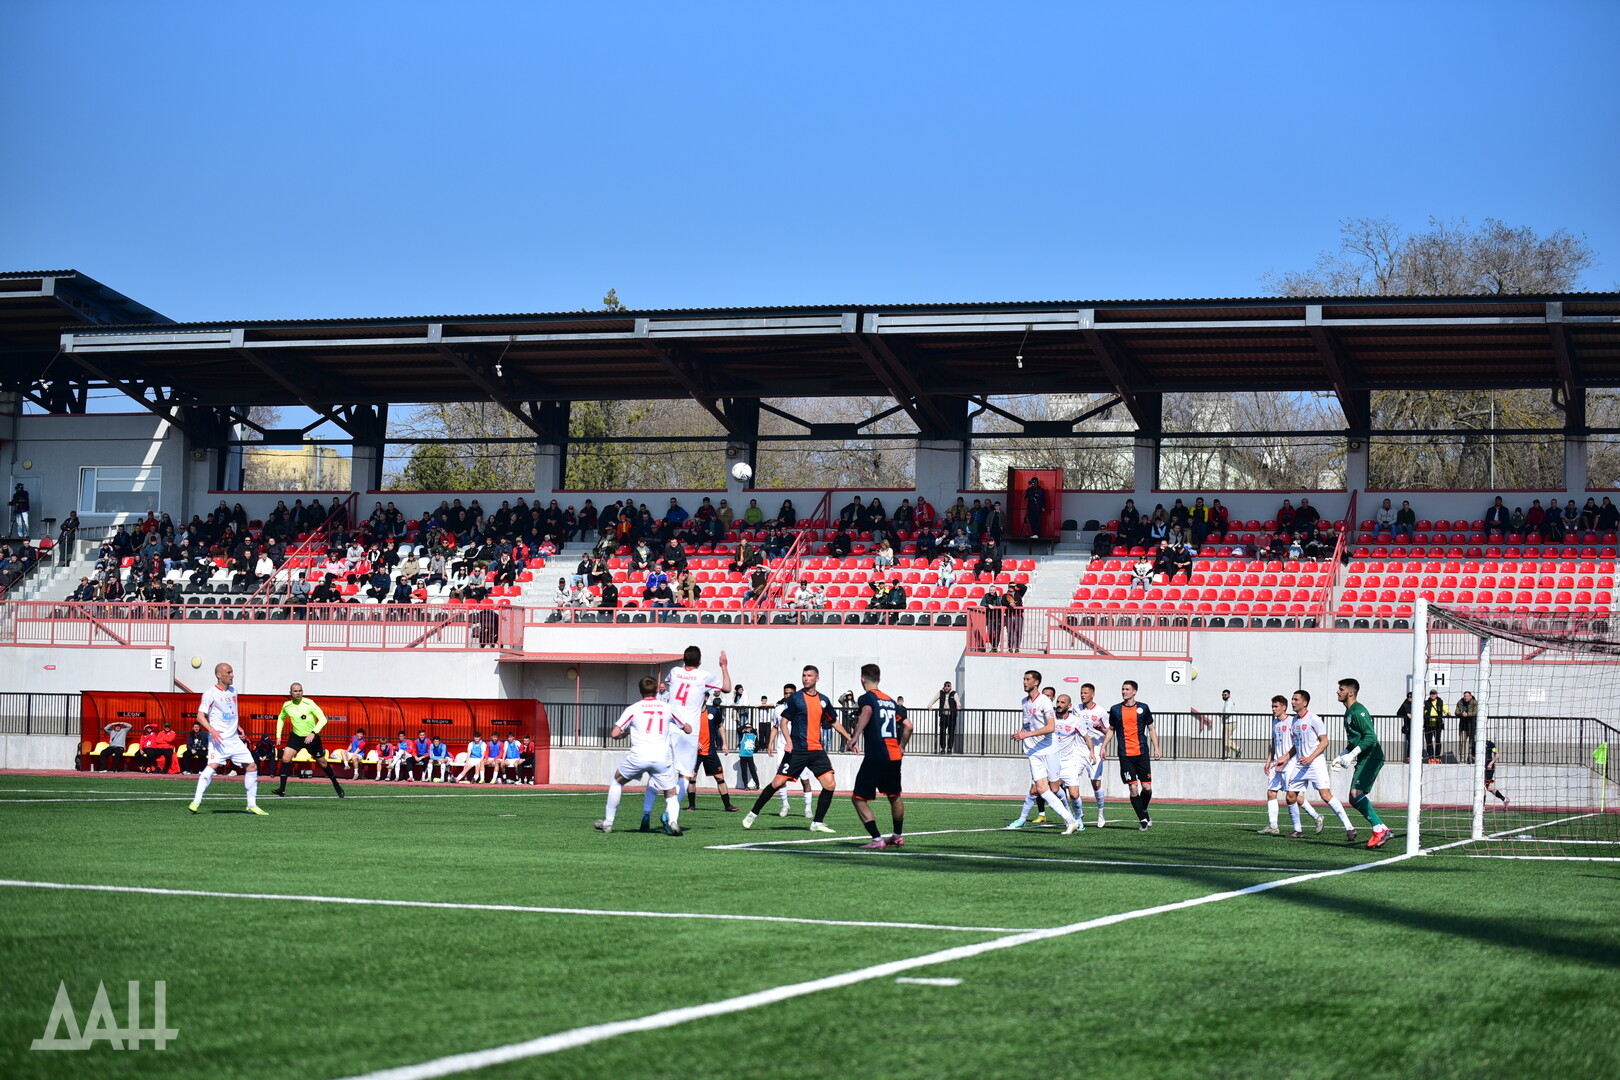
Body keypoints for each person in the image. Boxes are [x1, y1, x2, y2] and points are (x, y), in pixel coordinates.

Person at [741, 665, 848, 832]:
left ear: (817, 678)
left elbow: (833, 721)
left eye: (809, 675)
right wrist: (789, 741)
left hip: (816, 750)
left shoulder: (824, 700)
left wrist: (850, 738)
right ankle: (753, 813)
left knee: (830, 784)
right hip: (797, 750)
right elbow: (783, 722)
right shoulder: (796, 698)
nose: (806, 678)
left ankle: (817, 822)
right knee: (777, 783)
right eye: (804, 675)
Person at [642, 646, 732, 827]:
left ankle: (646, 813)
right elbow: (727, 688)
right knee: (684, 776)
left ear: (683, 659)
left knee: (658, 772)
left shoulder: (674, 672)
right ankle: (670, 814)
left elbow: (668, 683)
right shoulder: (703, 676)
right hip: (689, 733)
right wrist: (723, 666)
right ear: (700, 661)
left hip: (669, 729)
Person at [594, 676, 691, 836]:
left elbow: (614, 733)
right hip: (661, 758)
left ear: (640, 690)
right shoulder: (667, 708)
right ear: (656, 690)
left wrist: (623, 734)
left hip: (639, 756)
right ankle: (673, 822)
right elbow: (688, 729)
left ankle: (608, 822)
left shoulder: (634, 708)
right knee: (671, 793)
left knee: (617, 781)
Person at [1004, 669, 1081, 832]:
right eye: (1024, 679)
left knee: (1054, 788)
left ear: (1036, 682)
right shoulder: (1024, 702)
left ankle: (1072, 818)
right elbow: (1028, 723)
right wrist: (1021, 733)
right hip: (1033, 751)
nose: (1024, 682)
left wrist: (1027, 734)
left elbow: (1051, 727)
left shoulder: (1044, 701)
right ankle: (1069, 820)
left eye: (1028, 679)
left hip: (1049, 749)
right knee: (1040, 788)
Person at [847, 663, 913, 849]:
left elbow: (867, 711)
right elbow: (908, 726)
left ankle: (877, 839)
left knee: (858, 798)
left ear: (862, 680)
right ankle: (897, 836)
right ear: (879, 679)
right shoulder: (890, 701)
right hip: (894, 756)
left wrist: (855, 737)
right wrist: (901, 746)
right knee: (894, 796)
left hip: (876, 755)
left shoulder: (866, 698)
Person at [189, 662, 268, 816]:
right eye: (229, 672)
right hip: (219, 739)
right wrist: (212, 731)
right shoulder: (210, 693)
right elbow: (200, 716)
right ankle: (196, 802)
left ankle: (251, 805)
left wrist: (238, 726)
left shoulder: (233, 691)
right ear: (219, 675)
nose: (232, 675)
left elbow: (231, 712)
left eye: (232, 672)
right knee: (212, 766)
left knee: (252, 766)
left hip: (234, 739)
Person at [1283, 690, 1357, 841]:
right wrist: (1285, 758)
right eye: (1292, 699)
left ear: (1305, 702)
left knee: (1325, 795)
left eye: (1296, 699)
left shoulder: (1314, 719)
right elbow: (1296, 745)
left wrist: (1310, 758)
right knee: (1290, 796)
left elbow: (1324, 742)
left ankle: (1350, 828)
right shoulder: (1294, 721)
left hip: (1315, 763)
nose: (1292, 702)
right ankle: (1297, 829)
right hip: (1301, 765)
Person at [1331, 678, 1394, 849]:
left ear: (1351, 692)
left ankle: (1379, 829)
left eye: (1341, 689)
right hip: (1364, 757)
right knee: (1353, 798)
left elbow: (1370, 737)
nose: (1338, 692)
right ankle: (1381, 828)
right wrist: (1341, 755)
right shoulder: (1349, 712)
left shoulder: (1359, 711)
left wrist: (1352, 754)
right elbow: (1356, 740)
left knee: (1355, 793)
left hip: (1371, 756)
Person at [272, 682, 345, 797]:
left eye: (300, 691)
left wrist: (313, 733)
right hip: (296, 736)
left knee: (322, 763)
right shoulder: (287, 705)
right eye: (295, 691)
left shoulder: (309, 703)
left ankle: (337, 786)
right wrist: (278, 735)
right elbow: (281, 718)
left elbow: (323, 719)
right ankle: (282, 789)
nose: (298, 693)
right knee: (285, 758)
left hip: (312, 738)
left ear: (302, 692)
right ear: (290, 693)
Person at [1109, 679, 1161, 830]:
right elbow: (1111, 729)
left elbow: (1151, 729)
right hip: (1125, 755)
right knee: (1133, 788)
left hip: (1142, 752)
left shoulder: (1143, 708)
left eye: (1127, 689)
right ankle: (1143, 820)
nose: (1124, 692)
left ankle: (1143, 809)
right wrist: (1103, 747)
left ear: (1134, 692)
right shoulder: (1115, 709)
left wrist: (1157, 748)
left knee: (1147, 788)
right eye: (1123, 689)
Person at [1051, 692, 1098, 827]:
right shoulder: (1050, 718)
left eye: (1062, 702)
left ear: (1069, 705)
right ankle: (1069, 815)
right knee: (1054, 790)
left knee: (1074, 794)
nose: (1059, 704)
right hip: (1052, 761)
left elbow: (1087, 737)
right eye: (1058, 702)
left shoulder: (1075, 721)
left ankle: (1078, 817)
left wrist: (1092, 752)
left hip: (1068, 762)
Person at [692, 692, 739, 813]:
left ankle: (728, 805)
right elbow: (684, 729)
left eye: (703, 696)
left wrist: (724, 743)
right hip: (694, 752)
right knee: (692, 778)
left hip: (710, 751)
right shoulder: (691, 712)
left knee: (720, 778)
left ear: (706, 698)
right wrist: (693, 742)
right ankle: (691, 805)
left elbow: (720, 726)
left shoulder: (713, 711)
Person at [1257, 695, 1295, 836]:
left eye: (1276, 706)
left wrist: (1286, 758)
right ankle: (1273, 826)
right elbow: (1274, 744)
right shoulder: (1274, 722)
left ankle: (1316, 816)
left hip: (1289, 763)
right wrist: (1269, 760)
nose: (1273, 709)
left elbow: (1296, 744)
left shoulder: (1292, 721)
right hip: (1276, 763)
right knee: (1271, 792)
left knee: (1292, 795)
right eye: (1272, 706)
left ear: (1284, 707)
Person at [928, 680, 959, 754]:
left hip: (951, 716)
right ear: (944, 687)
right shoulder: (941, 692)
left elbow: (957, 701)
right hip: (943, 716)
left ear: (950, 687)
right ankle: (943, 748)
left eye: (948, 686)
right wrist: (929, 705)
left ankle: (949, 748)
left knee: (951, 732)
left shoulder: (954, 693)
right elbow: (934, 698)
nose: (946, 687)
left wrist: (958, 706)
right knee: (942, 732)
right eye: (945, 686)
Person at [1483, 740, 1510, 807]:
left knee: (1482, 786)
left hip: (1489, 768)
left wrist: (1491, 763)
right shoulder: (1475, 744)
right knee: (1489, 788)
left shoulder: (1489, 744)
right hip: (1480, 769)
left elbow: (1497, 754)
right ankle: (1504, 799)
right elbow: (1473, 756)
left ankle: (1482, 806)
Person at [1422, 689, 1446, 761]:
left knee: (1438, 741)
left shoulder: (1440, 702)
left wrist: (1447, 712)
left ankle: (1438, 757)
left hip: (1437, 724)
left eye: (1434, 694)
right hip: (1428, 724)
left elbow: (1445, 708)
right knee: (1429, 741)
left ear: (1436, 695)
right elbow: (1423, 711)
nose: (1432, 695)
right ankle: (1431, 757)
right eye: (1431, 694)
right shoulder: (1426, 703)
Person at [1455, 690, 1478, 763]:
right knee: (1462, 743)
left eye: (1467, 696)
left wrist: (1467, 714)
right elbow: (1456, 712)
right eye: (1465, 696)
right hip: (1463, 726)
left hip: (1472, 725)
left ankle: (1470, 758)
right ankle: (1462, 758)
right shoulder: (1460, 702)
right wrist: (1461, 713)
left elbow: (1475, 712)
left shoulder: (1475, 703)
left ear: (1470, 696)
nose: (1466, 697)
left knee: (1471, 743)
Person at [736, 723, 759, 790]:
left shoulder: (754, 736)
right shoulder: (743, 735)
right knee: (744, 771)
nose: (747, 728)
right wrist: (744, 725)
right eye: (746, 727)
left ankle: (757, 784)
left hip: (749, 755)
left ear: (751, 728)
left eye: (749, 727)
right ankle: (745, 785)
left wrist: (753, 751)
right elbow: (738, 730)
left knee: (752, 770)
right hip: (743, 755)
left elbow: (757, 746)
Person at [1220, 688, 1241, 758]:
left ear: (1229, 695)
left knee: (1226, 740)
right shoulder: (1228, 702)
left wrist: (1221, 715)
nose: (1223, 696)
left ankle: (1227, 755)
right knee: (1226, 739)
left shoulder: (1228, 703)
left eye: (1225, 695)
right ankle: (1237, 749)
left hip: (1229, 723)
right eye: (1223, 695)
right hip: (1231, 722)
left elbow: (1227, 713)